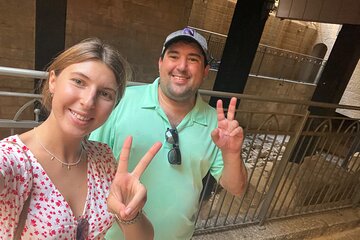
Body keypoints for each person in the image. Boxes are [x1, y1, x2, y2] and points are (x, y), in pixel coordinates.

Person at [90, 27, 248, 240]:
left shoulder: (216, 124)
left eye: (193, 59)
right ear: (160, 63)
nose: (182, 67)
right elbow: (88, 172)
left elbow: (236, 188)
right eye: (174, 56)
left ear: (205, 71)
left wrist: (231, 155)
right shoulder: (121, 102)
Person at [0, 38, 162, 239]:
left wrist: (130, 212)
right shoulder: (12, 160)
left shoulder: (102, 158)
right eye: (78, 82)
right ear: (53, 81)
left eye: (105, 94)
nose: (88, 102)